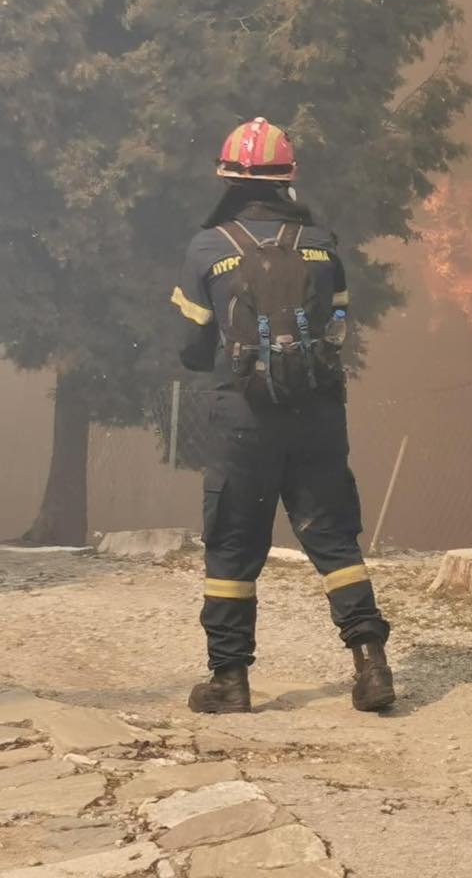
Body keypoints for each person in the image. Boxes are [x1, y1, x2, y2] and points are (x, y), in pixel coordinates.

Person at [170, 117, 395, 714]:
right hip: (317, 414)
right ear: (288, 178)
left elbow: (192, 347)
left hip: (240, 420)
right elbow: (338, 327)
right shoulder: (322, 245)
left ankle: (229, 679)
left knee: (233, 548)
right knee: (334, 542)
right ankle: (371, 663)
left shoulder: (207, 247)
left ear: (227, 177)